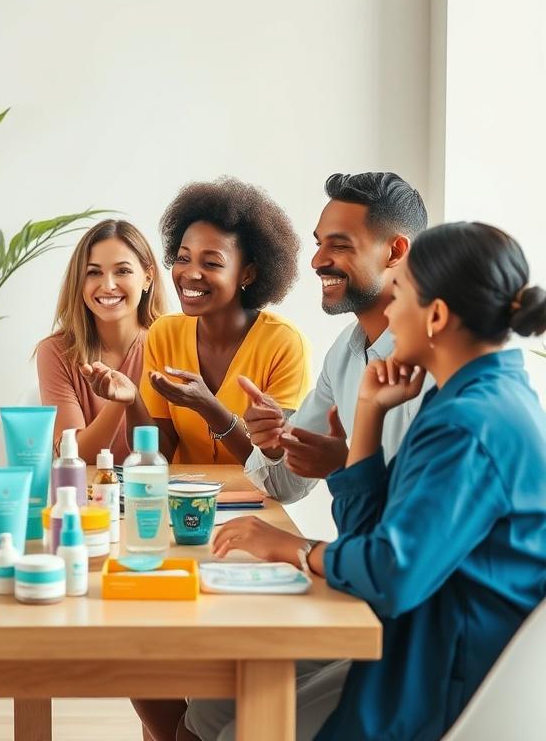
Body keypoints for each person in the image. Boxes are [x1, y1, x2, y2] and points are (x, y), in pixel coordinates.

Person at [208, 222, 546, 741]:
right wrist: (366, 413)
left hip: (443, 672)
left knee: (241, 728)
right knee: (216, 695)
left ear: (435, 316)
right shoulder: (466, 400)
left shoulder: (470, 424)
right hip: (417, 638)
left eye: (401, 295)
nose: (388, 312)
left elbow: (390, 574)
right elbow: (371, 539)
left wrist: (291, 548)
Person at [83, 177, 310, 464]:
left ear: (248, 274)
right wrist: (132, 400)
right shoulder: (165, 333)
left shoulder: (284, 343)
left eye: (211, 263)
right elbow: (159, 453)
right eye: (183, 258)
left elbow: (277, 468)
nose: (190, 274)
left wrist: (209, 407)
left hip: (256, 503)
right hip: (182, 501)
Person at [240, 172, 429, 500]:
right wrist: (274, 444)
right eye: (319, 243)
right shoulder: (346, 351)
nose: (316, 261)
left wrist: (343, 466)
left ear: (395, 252)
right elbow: (286, 485)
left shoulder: (441, 360)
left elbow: (433, 512)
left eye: (339, 245)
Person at [36, 219, 166, 460]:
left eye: (123, 271)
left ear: (148, 277)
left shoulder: (169, 344)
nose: (108, 285)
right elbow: (76, 457)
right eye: (93, 272)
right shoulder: (55, 351)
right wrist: (119, 401)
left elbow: (169, 456)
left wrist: (130, 396)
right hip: (87, 495)